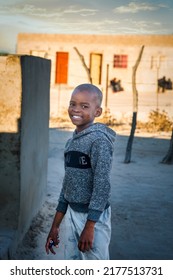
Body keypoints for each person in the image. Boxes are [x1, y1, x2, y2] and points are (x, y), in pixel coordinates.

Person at [45, 83, 116, 260]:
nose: (76, 110)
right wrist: (55, 226)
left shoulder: (99, 142)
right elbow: (67, 186)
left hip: (94, 219)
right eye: (72, 104)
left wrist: (90, 225)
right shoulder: (70, 143)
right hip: (73, 215)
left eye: (84, 106)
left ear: (97, 112)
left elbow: (102, 186)